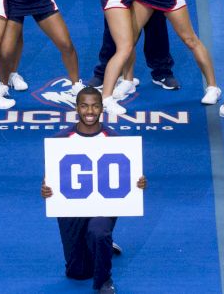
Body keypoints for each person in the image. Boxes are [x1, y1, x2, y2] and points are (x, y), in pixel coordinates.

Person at [41, 86, 147, 294]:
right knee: (78, 272)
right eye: (84, 106)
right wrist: (46, 189)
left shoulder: (116, 140)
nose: (90, 111)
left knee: (98, 232)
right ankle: (103, 245)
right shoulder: (60, 141)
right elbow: (50, 180)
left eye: (95, 106)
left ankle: (104, 280)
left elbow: (131, 177)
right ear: (76, 108)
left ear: (101, 109)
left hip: (104, 205)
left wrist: (140, 183)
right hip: (72, 207)